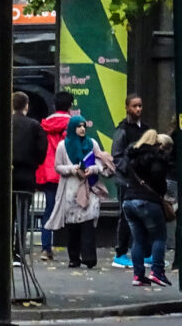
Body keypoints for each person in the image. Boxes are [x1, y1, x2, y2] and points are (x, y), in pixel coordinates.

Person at [46, 115, 109, 269]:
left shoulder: (91, 143)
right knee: (73, 226)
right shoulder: (63, 146)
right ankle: (74, 258)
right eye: (78, 126)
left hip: (89, 188)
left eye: (83, 126)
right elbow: (58, 166)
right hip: (70, 189)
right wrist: (71, 169)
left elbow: (101, 163)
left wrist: (92, 169)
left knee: (88, 223)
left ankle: (89, 258)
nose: (82, 129)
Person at [122, 130, 174, 288]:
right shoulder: (156, 159)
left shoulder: (133, 155)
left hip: (128, 201)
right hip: (147, 201)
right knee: (159, 237)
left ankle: (138, 275)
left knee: (138, 240)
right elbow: (159, 181)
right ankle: (157, 272)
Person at [36, 91, 74, 262]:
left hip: (49, 172)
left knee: (49, 210)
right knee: (74, 210)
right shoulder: (73, 124)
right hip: (67, 171)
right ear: (70, 105)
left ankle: (46, 248)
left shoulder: (45, 124)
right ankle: (75, 250)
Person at [9, 91, 47, 262]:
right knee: (23, 214)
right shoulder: (34, 126)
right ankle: (19, 250)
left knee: (7, 214)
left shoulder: (5, 123)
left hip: (7, 174)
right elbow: (41, 151)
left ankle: (6, 248)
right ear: (26, 105)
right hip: (27, 174)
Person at [109, 95, 145, 270]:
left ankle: (142, 252)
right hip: (127, 180)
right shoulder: (123, 130)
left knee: (142, 214)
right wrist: (130, 171)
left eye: (140, 106)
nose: (138, 109)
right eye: (134, 106)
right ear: (127, 108)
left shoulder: (144, 128)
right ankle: (120, 252)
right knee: (126, 216)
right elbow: (117, 156)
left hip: (142, 179)